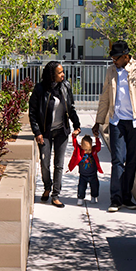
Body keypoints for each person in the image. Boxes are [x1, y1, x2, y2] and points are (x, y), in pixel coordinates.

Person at [93, 40, 136, 213]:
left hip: (135, 122)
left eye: (116, 58)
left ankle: (127, 197)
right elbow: (105, 97)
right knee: (117, 160)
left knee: (131, 161)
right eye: (112, 58)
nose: (113, 61)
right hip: (116, 122)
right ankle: (116, 199)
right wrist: (98, 121)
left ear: (126, 57)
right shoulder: (111, 71)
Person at [28, 60, 80, 208]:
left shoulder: (65, 86)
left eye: (63, 72)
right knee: (45, 164)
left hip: (61, 131)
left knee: (59, 164)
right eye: (59, 73)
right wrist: (37, 131)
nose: (63, 75)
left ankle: (55, 195)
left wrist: (77, 125)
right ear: (52, 75)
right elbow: (32, 112)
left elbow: (71, 108)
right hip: (44, 132)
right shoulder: (39, 89)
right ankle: (47, 187)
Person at [68, 132, 103, 205]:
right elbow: (75, 145)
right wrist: (74, 137)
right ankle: (80, 198)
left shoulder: (93, 151)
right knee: (81, 187)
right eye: (85, 149)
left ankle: (94, 197)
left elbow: (98, 147)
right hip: (83, 175)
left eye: (89, 149)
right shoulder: (79, 151)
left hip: (93, 174)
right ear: (81, 147)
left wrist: (97, 138)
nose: (87, 151)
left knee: (95, 186)